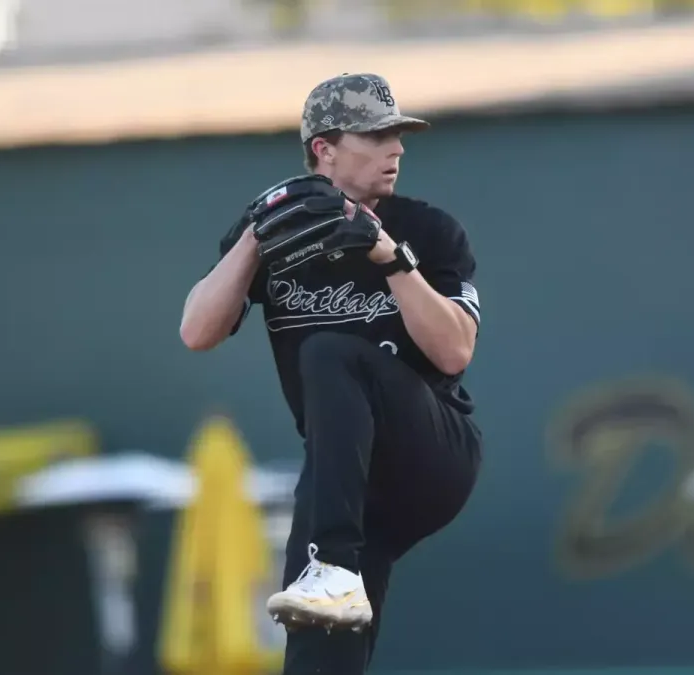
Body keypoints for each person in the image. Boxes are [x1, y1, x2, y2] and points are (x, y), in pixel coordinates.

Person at [179, 73, 482, 675]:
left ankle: (335, 567)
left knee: (328, 352)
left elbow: (454, 353)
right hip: (342, 484)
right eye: (377, 135)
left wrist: (389, 255)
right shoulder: (279, 237)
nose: (396, 148)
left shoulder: (426, 230)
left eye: (399, 134)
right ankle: (333, 574)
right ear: (325, 148)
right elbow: (196, 332)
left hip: (431, 451)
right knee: (316, 647)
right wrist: (254, 237)